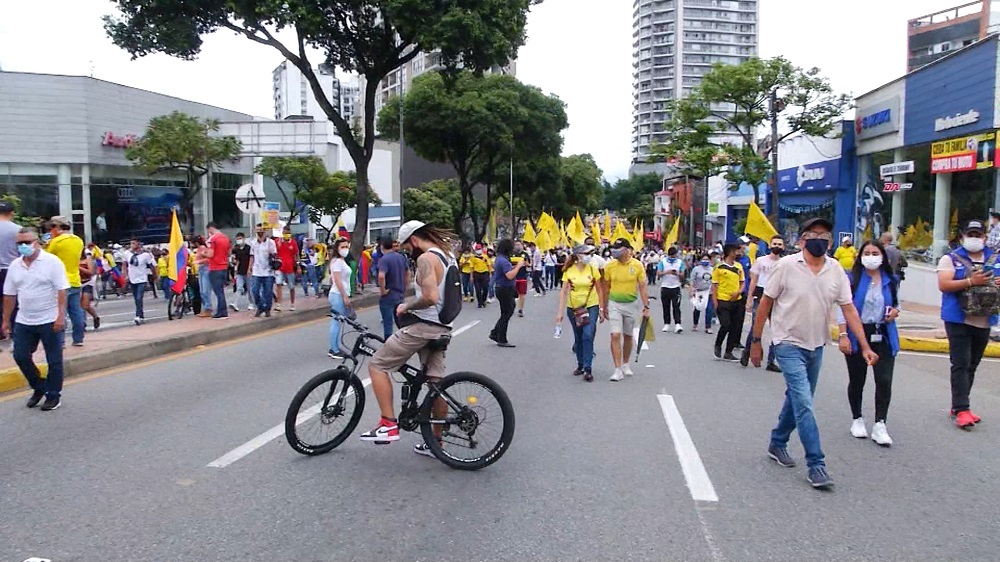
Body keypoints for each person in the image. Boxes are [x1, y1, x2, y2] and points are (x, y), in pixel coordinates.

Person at [749, 217, 877, 490]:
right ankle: (816, 464)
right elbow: (765, 304)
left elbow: (849, 308)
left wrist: (864, 345)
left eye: (825, 235)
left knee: (797, 399)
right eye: (813, 234)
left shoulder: (836, 271)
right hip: (787, 342)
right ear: (802, 239)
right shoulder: (785, 266)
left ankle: (777, 442)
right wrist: (757, 341)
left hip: (817, 344)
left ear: (830, 242)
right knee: (804, 402)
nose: (819, 239)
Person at [361, 220, 457, 456]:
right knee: (436, 384)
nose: (407, 252)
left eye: (406, 247)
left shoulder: (426, 259)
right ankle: (436, 443)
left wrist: (407, 306)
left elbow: (430, 297)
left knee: (377, 365)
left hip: (425, 326)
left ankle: (388, 425)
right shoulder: (448, 256)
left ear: (414, 240)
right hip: (443, 327)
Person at [836, 240, 900, 446]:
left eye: (875, 253)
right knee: (857, 380)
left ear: (882, 256)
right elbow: (843, 308)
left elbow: (897, 303)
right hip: (857, 333)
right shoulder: (851, 279)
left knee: (884, 380)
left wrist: (895, 312)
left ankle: (880, 424)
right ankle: (857, 418)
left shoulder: (891, 279)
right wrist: (843, 334)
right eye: (867, 253)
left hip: (883, 333)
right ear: (860, 256)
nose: (871, 257)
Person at [937, 220, 999, 429]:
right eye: (970, 234)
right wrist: (971, 281)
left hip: (984, 318)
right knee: (961, 362)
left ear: (984, 236)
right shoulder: (951, 258)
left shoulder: (995, 258)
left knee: (972, 364)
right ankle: (962, 408)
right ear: (963, 236)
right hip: (958, 318)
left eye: (978, 234)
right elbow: (944, 285)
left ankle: (959, 406)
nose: (974, 238)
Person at [3, 227, 69, 411]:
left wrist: (60, 316)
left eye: (27, 242)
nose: (23, 246)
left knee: (54, 360)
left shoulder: (52, 262)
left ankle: (54, 395)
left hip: (49, 319)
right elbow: (9, 295)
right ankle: (39, 387)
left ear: (37, 242)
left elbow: (61, 290)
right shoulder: (15, 265)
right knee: (21, 356)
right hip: (25, 320)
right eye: (19, 243)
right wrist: (5, 321)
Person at [601, 238, 649, 382]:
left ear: (627, 250)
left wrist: (646, 306)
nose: (616, 252)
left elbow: (642, 286)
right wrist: (604, 306)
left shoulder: (637, 265)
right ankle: (617, 369)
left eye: (619, 249)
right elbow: (606, 287)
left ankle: (625, 363)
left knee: (628, 336)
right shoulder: (610, 266)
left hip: (631, 304)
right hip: (615, 303)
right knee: (615, 335)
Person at [556, 244, 603, 382]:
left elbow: (600, 289)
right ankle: (580, 364)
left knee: (588, 334)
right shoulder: (569, 271)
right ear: (578, 255)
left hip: (591, 306)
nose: (589, 256)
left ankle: (588, 368)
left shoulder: (593, 270)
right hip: (574, 308)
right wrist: (560, 313)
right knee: (579, 336)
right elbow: (564, 291)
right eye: (586, 253)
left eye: (590, 253)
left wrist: (601, 308)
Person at [740, 235, 784, 371]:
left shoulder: (784, 263)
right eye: (774, 243)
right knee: (756, 326)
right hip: (761, 296)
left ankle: (771, 360)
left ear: (783, 247)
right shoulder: (760, 261)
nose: (777, 246)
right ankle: (748, 351)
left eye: (779, 244)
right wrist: (749, 298)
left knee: (777, 330)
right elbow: (753, 280)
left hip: (777, 298)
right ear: (770, 245)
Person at [44, 216, 86, 346]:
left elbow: (46, 258)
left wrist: (47, 244)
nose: (50, 231)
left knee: (60, 312)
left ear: (57, 227)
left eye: (51, 228)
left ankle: (60, 341)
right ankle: (78, 339)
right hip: (75, 280)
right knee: (76, 312)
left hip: (60, 282)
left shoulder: (56, 242)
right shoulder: (78, 240)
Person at [711, 244, 746, 362]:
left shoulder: (738, 266)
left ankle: (728, 352)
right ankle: (718, 345)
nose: (738, 252)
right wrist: (715, 302)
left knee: (735, 327)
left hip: (737, 300)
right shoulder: (719, 267)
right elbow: (714, 286)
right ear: (730, 252)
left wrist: (738, 292)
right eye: (736, 250)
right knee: (725, 324)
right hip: (723, 300)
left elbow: (742, 283)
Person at [490, 239, 527, 347]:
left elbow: (508, 271)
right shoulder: (503, 260)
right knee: (506, 313)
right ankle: (501, 338)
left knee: (508, 311)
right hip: (504, 289)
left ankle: (495, 333)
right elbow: (509, 275)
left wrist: (515, 267)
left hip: (504, 288)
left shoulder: (501, 258)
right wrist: (519, 266)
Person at [377, 234, 410, 340]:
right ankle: (405, 344)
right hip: (399, 294)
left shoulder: (384, 259)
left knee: (388, 324)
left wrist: (383, 291)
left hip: (388, 295)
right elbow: (408, 272)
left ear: (382, 246)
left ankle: (389, 346)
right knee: (401, 323)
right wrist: (405, 286)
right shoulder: (401, 257)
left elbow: (381, 276)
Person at [327, 237, 353, 358]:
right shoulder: (337, 261)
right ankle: (334, 349)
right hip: (338, 295)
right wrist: (344, 296)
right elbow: (337, 279)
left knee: (337, 321)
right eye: (342, 247)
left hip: (339, 294)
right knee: (336, 322)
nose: (345, 249)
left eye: (346, 246)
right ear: (337, 248)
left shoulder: (340, 261)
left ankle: (335, 347)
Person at [122, 238, 156, 325]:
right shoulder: (127, 254)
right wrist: (125, 275)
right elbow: (124, 264)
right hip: (132, 278)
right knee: (136, 298)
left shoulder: (145, 255)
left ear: (138, 244)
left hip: (142, 278)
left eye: (134, 243)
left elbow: (152, 266)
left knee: (139, 297)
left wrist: (155, 275)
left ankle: (138, 316)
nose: (132, 245)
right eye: (131, 243)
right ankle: (141, 315)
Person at [0, 202, 21, 339]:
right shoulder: (18, 229)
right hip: (11, 270)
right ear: (12, 213)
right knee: (14, 301)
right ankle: (14, 331)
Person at [248, 225, 277, 318]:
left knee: (268, 292)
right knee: (255, 290)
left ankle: (267, 309)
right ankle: (260, 307)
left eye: (261, 230)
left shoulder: (270, 243)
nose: (259, 232)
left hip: (268, 271)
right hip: (257, 271)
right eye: (258, 230)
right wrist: (250, 267)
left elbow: (274, 255)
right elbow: (252, 256)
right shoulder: (253, 243)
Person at [204, 222, 231, 319]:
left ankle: (221, 311)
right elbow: (228, 253)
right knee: (221, 291)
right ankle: (223, 310)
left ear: (211, 228)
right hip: (224, 267)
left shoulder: (213, 239)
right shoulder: (226, 238)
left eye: (208, 231)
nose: (208, 233)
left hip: (215, 267)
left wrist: (204, 254)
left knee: (218, 291)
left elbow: (210, 255)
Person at [657, 246, 685, 333]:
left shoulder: (680, 262)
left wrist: (677, 273)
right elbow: (659, 274)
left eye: (674, 256)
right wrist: (667, 272)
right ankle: (666, 324)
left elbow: (683, 275)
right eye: (671, 256)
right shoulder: (663, 262)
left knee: (676, 306)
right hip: (665, 287)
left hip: (675, 287)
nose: (673, 257)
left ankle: (678, 324)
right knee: (666, 306)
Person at [688, 254, 714, 333]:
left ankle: (708, 326)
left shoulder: (712, 270)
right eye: (703, 259)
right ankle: (695, 324)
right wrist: (691, 289)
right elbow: (692, 280)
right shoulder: (696, 269)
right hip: (699, 291)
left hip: (709, 292)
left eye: (707, 259)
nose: (705, 261)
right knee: (697, 308)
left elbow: (715, 281)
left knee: (709, 309)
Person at [275, 229, 299, 311]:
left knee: (291, 286)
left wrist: (298, 266)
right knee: (278, 284)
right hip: (280, 267)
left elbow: (296, 254)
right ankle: (278, 304)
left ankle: (292, 304)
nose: (287, 234)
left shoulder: (293, 242)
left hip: (290, 268)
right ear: (282, 233)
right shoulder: (277, 241)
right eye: (285, 233)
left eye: (288, 233)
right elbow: (274, 252)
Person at [79, 248, 100, 330]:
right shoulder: (73, 259)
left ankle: (95, 316)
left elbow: (91, 272)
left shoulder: (88, 259)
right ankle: (82, 323)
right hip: (77, 283)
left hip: (87, 283)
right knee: (78, 306)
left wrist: (79, 268)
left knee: (85, 305)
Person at [231, 232, 252, 311]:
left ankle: (251, 303)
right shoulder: (236, 249)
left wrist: (249, 268)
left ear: (244, 239)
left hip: (248, 271)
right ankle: (235, 303)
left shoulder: (248, 248)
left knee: (250, 288)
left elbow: (251, 258)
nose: (239, 240)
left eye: (240, 239)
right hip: (240, 271)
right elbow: (235, 260)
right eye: (237, 239)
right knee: (239, 288)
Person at [194, 236, 212, 317]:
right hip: (200, 269)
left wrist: (199, 261)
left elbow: (209, 259)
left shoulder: (203, 248)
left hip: (206, 268)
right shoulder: (198, 249)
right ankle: (206, 308)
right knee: (201, 291)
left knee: (205, 290)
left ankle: (208, 308)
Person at [511, 241, 530, 317]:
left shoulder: (525, 254)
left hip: (522, 277)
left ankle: (520, 310)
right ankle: (511, 308)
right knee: (512, 294)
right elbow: (508, 265)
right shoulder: (511, 254)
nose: (517, 246)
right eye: (516, 245)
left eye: (519, 244)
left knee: (521, 294)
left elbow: (529, 264)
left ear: (522, 245)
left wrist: (525, 263)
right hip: (513, 277)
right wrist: (516, 266)